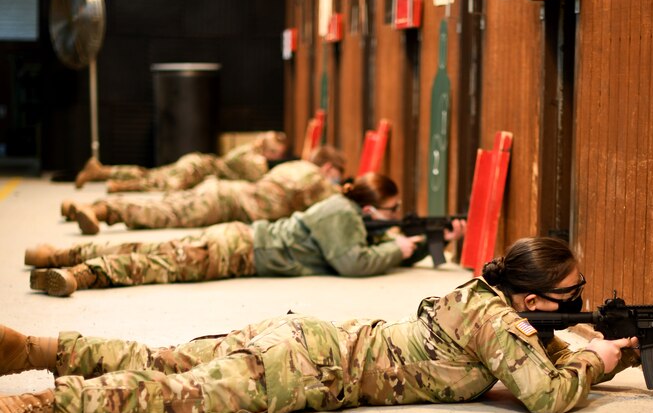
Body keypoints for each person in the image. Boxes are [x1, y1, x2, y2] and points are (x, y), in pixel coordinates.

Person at [1, 236, 653, 413]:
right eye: (572, 295)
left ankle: (36, 347)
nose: (580, 304)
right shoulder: (497, 324)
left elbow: (523, 353)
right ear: (532, 298)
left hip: (303, 337)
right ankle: (37, 405)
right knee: (168, 395)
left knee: (165, 357)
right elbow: (548, 393)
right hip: (304, 372)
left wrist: (576, 334)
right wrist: (603, 354)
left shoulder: (479, 296)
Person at [25, 173, 463, 297]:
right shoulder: (340, 213)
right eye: (389, 213)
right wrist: (399, 246)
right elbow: (353, 262)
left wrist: (420, 245)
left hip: (243, 240)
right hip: (244, 249)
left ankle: (61, 255)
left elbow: (369, 249)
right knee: (160, 263)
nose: (394, 218)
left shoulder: (349, 215)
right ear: (370, 209)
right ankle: (78, 272)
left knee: (156, 250)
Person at [52, 145, 346, 236]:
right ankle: (99, 210)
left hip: (221, 191)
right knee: (164, 211)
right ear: (329, 169)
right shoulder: (316, 182)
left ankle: (82, 207)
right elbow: (338, 207)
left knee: (167, 200)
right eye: (338, 176)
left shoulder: (293, 166)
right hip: (225, 203)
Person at [74, 131, 288, 191]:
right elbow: (258, 182)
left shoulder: (248, 150)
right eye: (276, 152)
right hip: (198, 169)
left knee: (152, 174)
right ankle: (119, 184)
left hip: (197, 164)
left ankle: (102, 171)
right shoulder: (254, 159)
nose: (277, 157)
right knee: (161, 183)